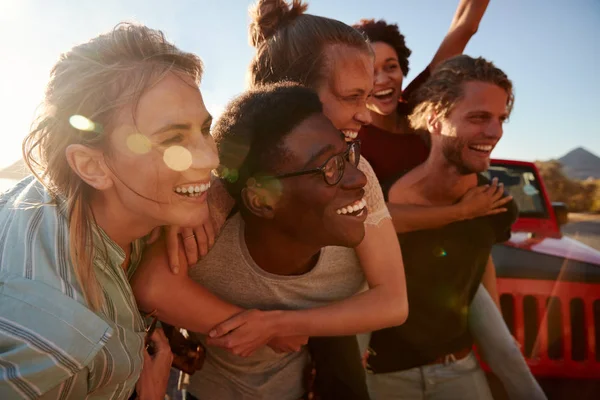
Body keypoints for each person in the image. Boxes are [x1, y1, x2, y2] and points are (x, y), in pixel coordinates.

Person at [0, 23, 219, 399]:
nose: (211, 158)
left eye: (205, 129)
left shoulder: (86, 191)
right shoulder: (57, 346)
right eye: (172, 139)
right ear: (91, 166)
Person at [354, 6, 546, 399]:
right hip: (377, 261)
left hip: (445, 256)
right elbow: (370, 222)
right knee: (349, 368)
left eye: (389, 66)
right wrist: (459, 213)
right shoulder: (350, 135)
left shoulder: (422, 105)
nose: (381, 79)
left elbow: (465, 27)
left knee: (507, 352)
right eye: (367, 70)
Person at [364, 54, 516, 399]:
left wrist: (499, 337)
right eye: (479, 117)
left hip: (460, 371)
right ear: (434, 119)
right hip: (382, 376)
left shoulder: (496, 204)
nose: (495, 132)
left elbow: (481, 262)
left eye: (501, 119)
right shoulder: (382, 195)